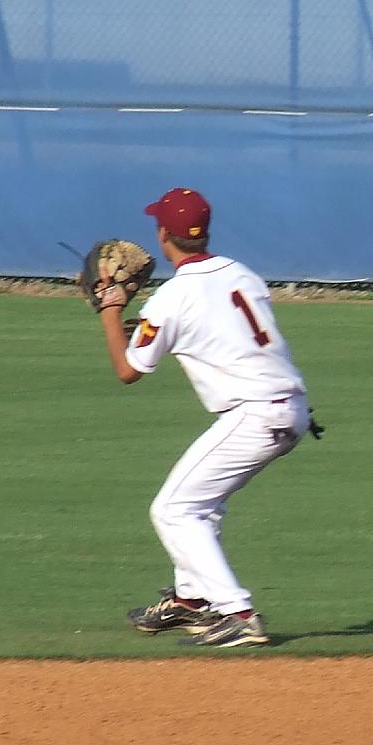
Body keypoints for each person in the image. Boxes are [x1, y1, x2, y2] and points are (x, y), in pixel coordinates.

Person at [95, 186, 320, 649]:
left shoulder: (172, 298)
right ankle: (191, 599)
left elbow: (127, 371)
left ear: (163, 235)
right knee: (201, 504)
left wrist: (111, 308)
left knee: (173, 509)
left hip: (255, 414)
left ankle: (239, 613)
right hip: (288, 407)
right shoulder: (242, 273)